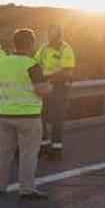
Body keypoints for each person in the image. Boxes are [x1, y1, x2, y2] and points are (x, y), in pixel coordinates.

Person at [0, 28, 51, 199]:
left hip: (4, 113)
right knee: (28, 153)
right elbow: (41, 90)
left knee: (4, 151)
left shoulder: (3, 62)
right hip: (28, 115)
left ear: (15, 43)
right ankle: (27, 188)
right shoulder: (31, 64)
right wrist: (50, 87)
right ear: (31, 44)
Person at [35, 24, 76, 159]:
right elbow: (35, 63)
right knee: (41, 116)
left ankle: (56, 149)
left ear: (60, 35)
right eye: (50, 35)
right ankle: (43, 146)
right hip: (45, 86)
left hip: (60, 87)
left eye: (55, 35)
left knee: (56, 119)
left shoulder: (66, 49)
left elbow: (67, 71)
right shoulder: (44, 48)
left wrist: (47, 76)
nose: (52, 38)